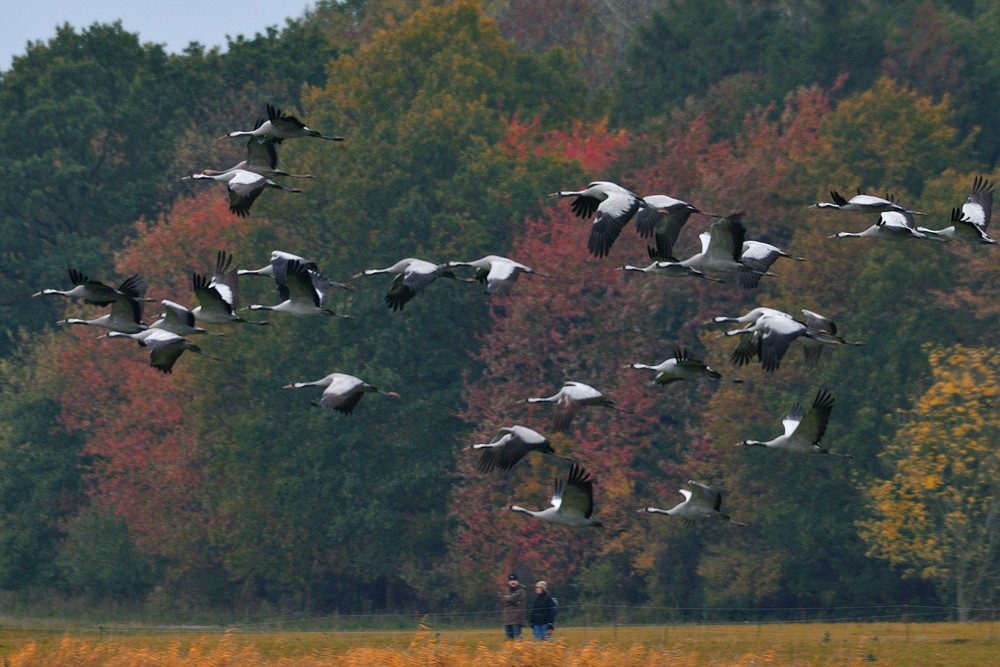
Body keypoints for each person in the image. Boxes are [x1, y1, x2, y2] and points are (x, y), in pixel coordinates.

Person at [500, 573, 527, 639]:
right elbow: (503, 600)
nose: (513, 582)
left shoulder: (521, 590)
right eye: (511, 580)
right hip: (507, 618)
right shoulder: (507, 590)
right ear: (509, 582)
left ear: (517, 581)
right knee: (509, 638)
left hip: (517, 618)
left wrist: (508, 599)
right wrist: (511, 600)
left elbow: (513, 598)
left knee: (518, 638)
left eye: (514, 580)